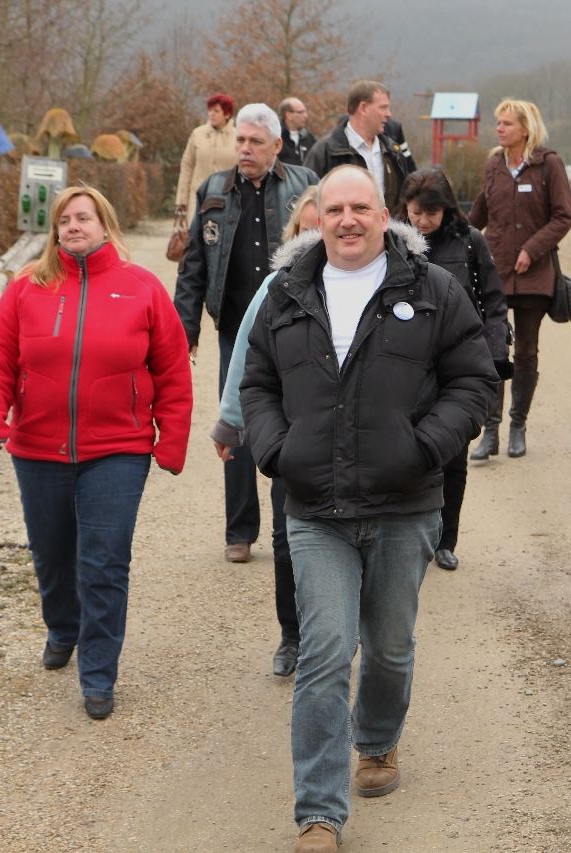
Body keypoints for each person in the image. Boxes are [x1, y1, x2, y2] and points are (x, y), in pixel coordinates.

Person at [239, 166, 497, 853]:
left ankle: (378, 739)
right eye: (335, 209)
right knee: (325, 650)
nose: (347, 220)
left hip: (404, 502)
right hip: (315, 506)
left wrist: (425, 446)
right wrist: (278, 450)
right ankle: (319, 812)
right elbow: (257, 382)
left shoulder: (433, 289)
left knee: (388, 644)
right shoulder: (286, 292)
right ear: (318, 218)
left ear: (385, 216)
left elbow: (474, 380)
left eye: (361, 207)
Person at [0, 185, 193, 720]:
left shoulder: (141, 288)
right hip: (37, 448)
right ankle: (62, 627)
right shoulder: (28, 287)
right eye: (64, 220)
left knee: (104, 561)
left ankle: (98, 674)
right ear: (55, 231)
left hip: (117, 449)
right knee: (52, 554)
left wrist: (171, 440)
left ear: (105, 225)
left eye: (84, 218)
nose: (73, 226)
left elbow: (171, 368)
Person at [175, 103, 318, 563]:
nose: (245, 149)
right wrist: (186, 326)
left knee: (290, 423)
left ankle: (291, 526)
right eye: (240, 140)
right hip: (235, 327)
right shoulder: (214, 189)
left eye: (255, 142)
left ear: (277, 145)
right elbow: (193, 264)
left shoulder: (304, 184)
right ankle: (239, 531)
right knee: (234, 423)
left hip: (292, 327)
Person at [211, 186, 319, 676]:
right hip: (293, 438)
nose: (314, 239)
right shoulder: (276, 287)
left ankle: (340, 630)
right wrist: (231, 422)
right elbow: (244, 357)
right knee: (286, 538)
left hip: (352, 437)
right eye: (305, 230)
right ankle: (292, 635)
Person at [396, 169, 511, 572]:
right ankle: (409, 537)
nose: (423, 221)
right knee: (406, 450)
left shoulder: (470, 242)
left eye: (432, 212)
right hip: (407, 363)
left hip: (457, 362)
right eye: (416, 212)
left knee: (453, 457)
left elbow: (494, 302)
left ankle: (446, 539)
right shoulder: (394, 242)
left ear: (447, 209)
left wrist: (493, 356)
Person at [467, 98, 571, 460]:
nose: (499, 129)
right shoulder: (494, 165)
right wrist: (451, 236)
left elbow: (563, 216)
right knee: (493, 350)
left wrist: (532, 249)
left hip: (534, 274)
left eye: (507, 123)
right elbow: (479, 214)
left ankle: (518, 426)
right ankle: (490, 431)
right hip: (495, 273)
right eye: (498, 123)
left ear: (526, 129)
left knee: (526, 351)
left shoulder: (549, 164)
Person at [303, 80, 413, 211]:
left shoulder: (393, 150)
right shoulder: (324, 151)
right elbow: (306, 201)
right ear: (363, 108)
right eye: (383, 107)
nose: (389, 114)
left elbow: (404, 200)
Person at [174, 93, 237, 219]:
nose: (211, 114)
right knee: (196, 230)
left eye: (216, 111)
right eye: (209, 110)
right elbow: (187, 166)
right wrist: (182, 200)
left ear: (227, 114)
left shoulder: (239, 136)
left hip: (228, 198)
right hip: (198, 197)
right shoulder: (197, 134)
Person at [278, 97, 317, 167]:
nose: (306, 116)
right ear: (288, 115)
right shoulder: (276, 138)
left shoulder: (309, 139)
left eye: (305, 112)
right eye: (301, 112)